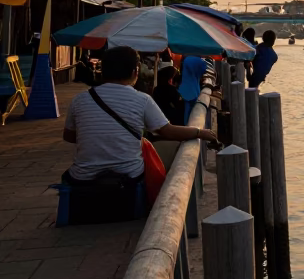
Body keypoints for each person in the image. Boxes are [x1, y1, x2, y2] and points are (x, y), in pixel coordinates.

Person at [62, 46, 217, 183]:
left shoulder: (79, 99)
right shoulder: (142, 99)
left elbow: (69, 136)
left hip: (82, 177)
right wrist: (200, 132)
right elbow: (167, 131)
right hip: (129, 175)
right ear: (135, 72)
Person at [178, 55, 208, 123]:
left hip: (184, 89)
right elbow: (204, 71)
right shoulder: (201, 62)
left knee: (186, 111)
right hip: (195, 90)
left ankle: (185, 127)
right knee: (193, 111)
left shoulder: (186, 59)